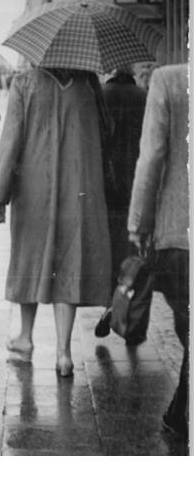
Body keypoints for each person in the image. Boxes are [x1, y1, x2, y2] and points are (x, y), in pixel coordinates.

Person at [0, 67, 111, 377]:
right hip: (78, 185)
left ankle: (26, 338)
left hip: (34, 189)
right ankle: (63, 353)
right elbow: (106, 128)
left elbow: (12, 138)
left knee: (30, 261)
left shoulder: (25, 83)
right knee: (70, 262)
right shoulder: (88, 83)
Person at [127, 63, 189, 440]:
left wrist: (139, 222)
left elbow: (151, 156)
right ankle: (180, 411)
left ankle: (181, 412)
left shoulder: (170, 79)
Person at [94, 65, 147, 339]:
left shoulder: (101, 95)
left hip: (108, 185)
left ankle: (110, 304)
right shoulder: (144, 95)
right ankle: (134, 319)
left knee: (112, 247)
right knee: (137, 252)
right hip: (138, 183)